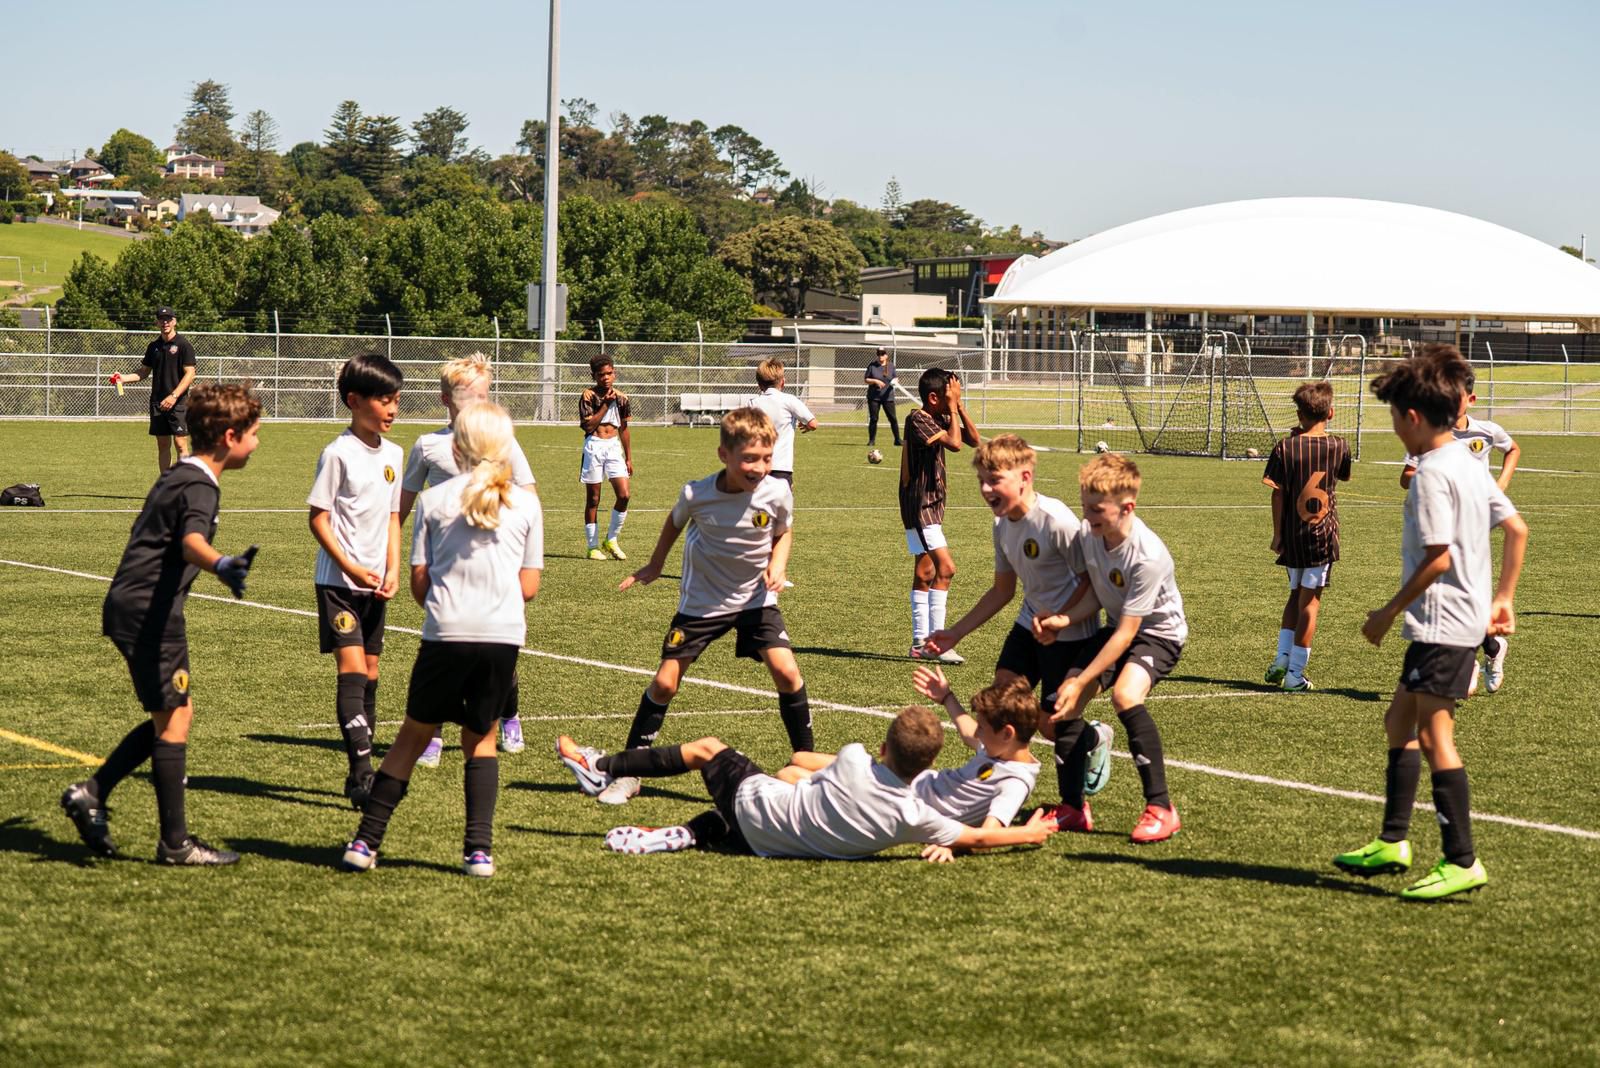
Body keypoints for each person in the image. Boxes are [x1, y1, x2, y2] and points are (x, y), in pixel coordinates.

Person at [1336, 354, 1526, 901]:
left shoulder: (1431, 475)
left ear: (1413, 417)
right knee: (1398, 721)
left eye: (1394, 417)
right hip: (1459, 619)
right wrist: (1503, 599)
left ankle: (1462, 859)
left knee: (1434, 734)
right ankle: (1394, 840)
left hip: (1442, 624)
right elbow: (1516, 528)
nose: (1393, 427)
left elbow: (1439, 558)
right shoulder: (1470, 461)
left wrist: (1386, 612)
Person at [60, 383, 262, 865]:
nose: (258, 443)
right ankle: (174, 843)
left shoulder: (180, 473)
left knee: (172, 714)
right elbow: (192, 539)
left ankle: (93, 792)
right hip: (150, 611)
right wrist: (220, 564)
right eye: (255, 434)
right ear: (231, 437)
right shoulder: (199, 484)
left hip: (134, 605)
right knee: (175, 718)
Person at [342, 402, 544, 878]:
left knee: (412, 737)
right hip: (502, 638)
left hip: (445, 634)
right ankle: (478, 852)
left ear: (456, 448)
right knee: (481, 742)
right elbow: (529, 588)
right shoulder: (527, 504)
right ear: (507, 448)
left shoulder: (434, 502)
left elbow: (418, 584)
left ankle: (365, 842)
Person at [598, 407, 813, 806]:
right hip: (702, 603)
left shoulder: (778, 491)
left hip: (755, 599)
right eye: (749, 458)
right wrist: (655, 565)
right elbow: (674, 523)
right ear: (724, 456)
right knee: (665, 683)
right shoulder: (697, 494)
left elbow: (783, 532)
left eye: (767, 458)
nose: (759, 467)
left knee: (787, 672)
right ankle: (630, 772)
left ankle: (807, 766)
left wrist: (778, 565)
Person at [554, 705, 1060, 860]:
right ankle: (689, 833)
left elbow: (805, 764)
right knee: (744, 813)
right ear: (928, 762)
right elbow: (977, 837)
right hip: (767, 846)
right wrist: (1030, 834)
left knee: (709, 749)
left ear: (883, 748)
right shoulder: (916, 818)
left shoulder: (855, 758)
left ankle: (602, 768)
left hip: (760, 809)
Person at [922, 434, 1113, 822]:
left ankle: (1089, 752)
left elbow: (1090, 582)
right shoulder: (1001, 525)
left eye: (995, 480)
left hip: (1071, 633)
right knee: (1002, 703)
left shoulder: (1056, 520)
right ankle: (997, 780)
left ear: (1025, 477)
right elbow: (1003, 590)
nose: (987, 489)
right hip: (1030, 623)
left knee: (1050, 724)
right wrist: (955, 632)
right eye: (982, 481)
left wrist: (1062, 618)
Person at [1033, 453, 1186, 844]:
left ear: (1127, 507)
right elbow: (1097, 596)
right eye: (1085, 506)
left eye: (1096, 509)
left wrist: (1082, 677)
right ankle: (1073, 808)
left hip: (1158, 634)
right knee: (1061, 707)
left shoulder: (1147, 555)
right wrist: (1064, 620)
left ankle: (1161, 808)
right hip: (1120, 627)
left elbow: (1127, 633)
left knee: (1124, 694)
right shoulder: (1092, 535)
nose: (1087, 516)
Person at [399, 353, 537, 764]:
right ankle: (434, 736)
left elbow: (528, 495)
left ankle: (509, 715)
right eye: (466, 397)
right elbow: (402, 507)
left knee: (497, 649)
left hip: (494, 559)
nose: (475, 405)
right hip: (446, 565)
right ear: (446, 399)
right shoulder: (429, 446)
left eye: (482, 397)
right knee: (443, 650)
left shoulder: (504, 443)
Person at [307, 353, 404, 810]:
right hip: (338, 584)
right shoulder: (337, 453)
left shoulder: (395, 455)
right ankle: (363, 774)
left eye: (396, 400)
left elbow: (392, 518)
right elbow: (319, 519)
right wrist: (347, 565)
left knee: (372, 674)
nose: (392, 409)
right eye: (384, 400)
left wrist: (393, 568)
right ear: (354, 401)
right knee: (352, 672)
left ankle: (358, 772)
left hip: (374, 583)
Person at [1398, 353, 1521, 695]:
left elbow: (1512, 450)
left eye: (1458, 398)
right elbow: (1406, 476)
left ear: (1471, 399)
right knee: (1456, 590)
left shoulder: (1486, 431)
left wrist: (1501, 484)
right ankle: (1486, 651)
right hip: (1440, 519)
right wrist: (1432, 476)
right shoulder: (1432, 433)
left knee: (1462, 589)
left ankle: (1467, 661)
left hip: (1476, 519)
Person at [1261, 381, 1352, 692]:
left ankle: (1281, 659)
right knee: (1310, 603)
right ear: (1331, 412)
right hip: (1321, 535)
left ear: (1298, 414)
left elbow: (1276, 493)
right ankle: (1295, 675)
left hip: (1292, 533)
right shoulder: (1339, 445)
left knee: (1294, 595)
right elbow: (1339, 474)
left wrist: (1277, 534)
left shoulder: (1284, 447)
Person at [902, 367, 981, 662]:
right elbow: (956, 444)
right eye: (950, 394)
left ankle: (920, 644)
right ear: (934, 397)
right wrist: (951, 408)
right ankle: (937, 643)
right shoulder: (918, 419)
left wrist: (958, 407)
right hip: (921, 506)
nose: (955, 398)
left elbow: (973, 439)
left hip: (930, 506)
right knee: (946, 569)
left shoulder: (941, 416)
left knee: (925, 573)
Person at [108, 307, 198, 473]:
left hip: (178, 402)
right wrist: (123, 378)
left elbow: (190, 374)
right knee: (163, 444)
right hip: (157, 402)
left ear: (174, 321)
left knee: (180, 443)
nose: (165, 322)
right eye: (161, 319)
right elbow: (143, 372)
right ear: (157, 322)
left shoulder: (184, 345)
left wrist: (174, 396)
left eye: (168, 319)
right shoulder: (153, 347)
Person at [578, 353, 632, 561]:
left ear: (614, 374)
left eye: (609, 374)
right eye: (601, 375)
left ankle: (611, 539)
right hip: (594, 446)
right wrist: (605, 405)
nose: (606, 378)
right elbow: (588, 426)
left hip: (613, 448)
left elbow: (624, 429)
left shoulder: (622, 398)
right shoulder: (588, 396)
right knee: (593, 499)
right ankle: (592, 547)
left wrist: (628, 457)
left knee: (624, 495)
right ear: (594, 376)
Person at [748, 356, 817, 486]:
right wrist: (808, 427)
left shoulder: (752, 403)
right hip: (781, 466)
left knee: (757, 504)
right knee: (781, 505)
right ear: (783, 382)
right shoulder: (789, 400)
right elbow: (813, 423)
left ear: (759, 384)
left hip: (758, 465)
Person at [864, 347, 902, 447]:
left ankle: (897, 440)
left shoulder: (891, 366)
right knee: (874, 418)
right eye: (879, 354)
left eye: (882, 354)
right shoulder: (872, 366)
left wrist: (896, 381)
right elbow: (866, 379)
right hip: (874, 397)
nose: (880, 356)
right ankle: (871, 440)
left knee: (893, 418)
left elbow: (895, 377)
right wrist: (875, 381)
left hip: (888, 397)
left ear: (886, 355)